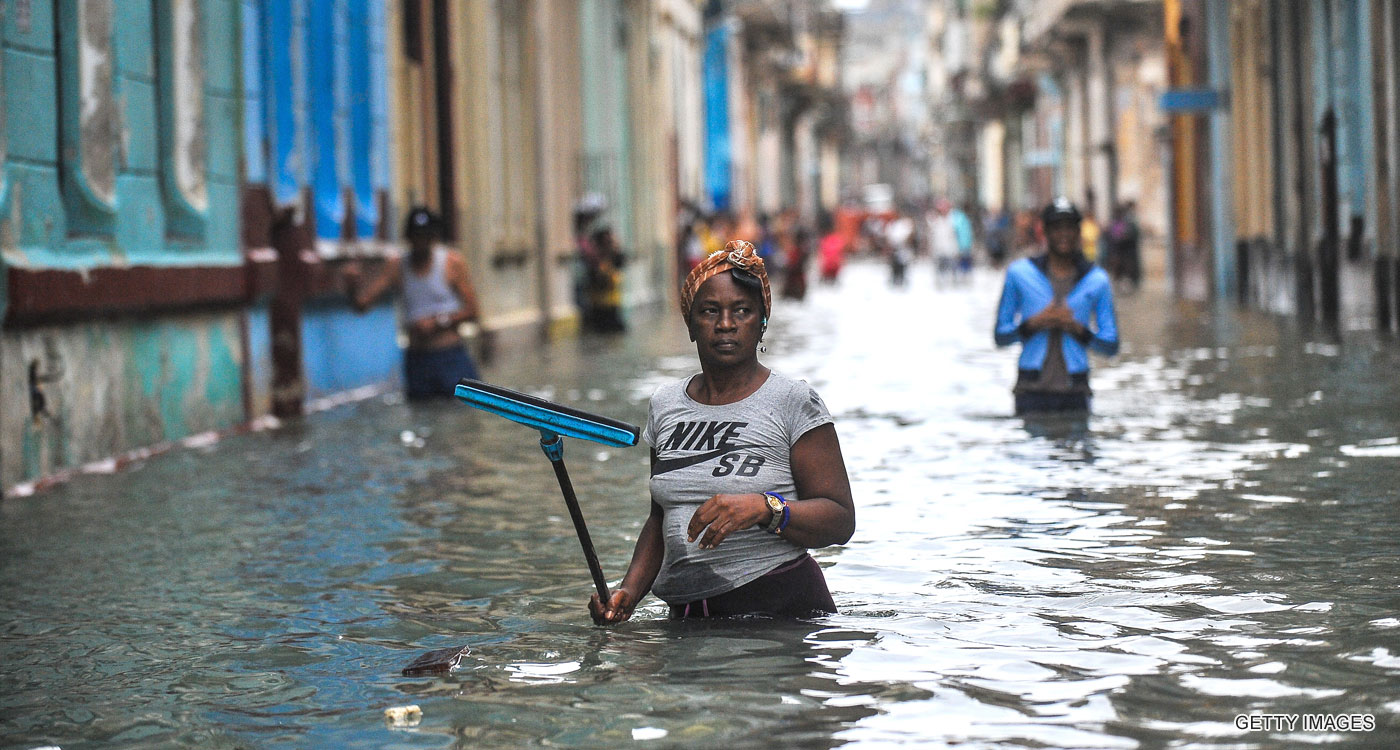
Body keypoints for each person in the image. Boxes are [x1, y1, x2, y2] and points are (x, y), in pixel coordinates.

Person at [590, 240, 855, 623]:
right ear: (691, 324)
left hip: (780, 615)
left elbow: (840, 519)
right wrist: (628, 593)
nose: (726, 324)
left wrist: (765, 509)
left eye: (742, 311)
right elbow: (660, 516)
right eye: (710, 311)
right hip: (687, 622)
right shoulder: (666, 405)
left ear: (762, 322)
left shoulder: (793, 401)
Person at [994, 197, 1119, 414]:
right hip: (1030, 390)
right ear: (1045, 231)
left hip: (1076, 391)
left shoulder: (1097, 279)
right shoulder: (1020, 274)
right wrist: (1035, 323)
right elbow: (1001, 336)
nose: (1064, 234)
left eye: (1070, 228)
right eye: (1056, 227)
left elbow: (1111, 345)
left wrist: (1078, 330)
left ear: (1078, 232)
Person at [346, 206, 483, 399]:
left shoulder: (452, 262)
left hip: (451, 357)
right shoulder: (397, 266)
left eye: (426, 236)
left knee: (461, 414)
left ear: (434, 237)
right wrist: (352, 286)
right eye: (417, 236)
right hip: (418, 361)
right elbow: (362, 305)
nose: (421, 242)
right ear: (408, 238)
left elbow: (473, 311)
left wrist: (438, 322)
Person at [583, 224, 627, 333]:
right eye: (607, 240)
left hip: (613, 304)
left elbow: (621, 261)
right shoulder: (594, 260)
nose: (610, 243)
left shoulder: (615, 258)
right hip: (598, 306)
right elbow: (596, 279)